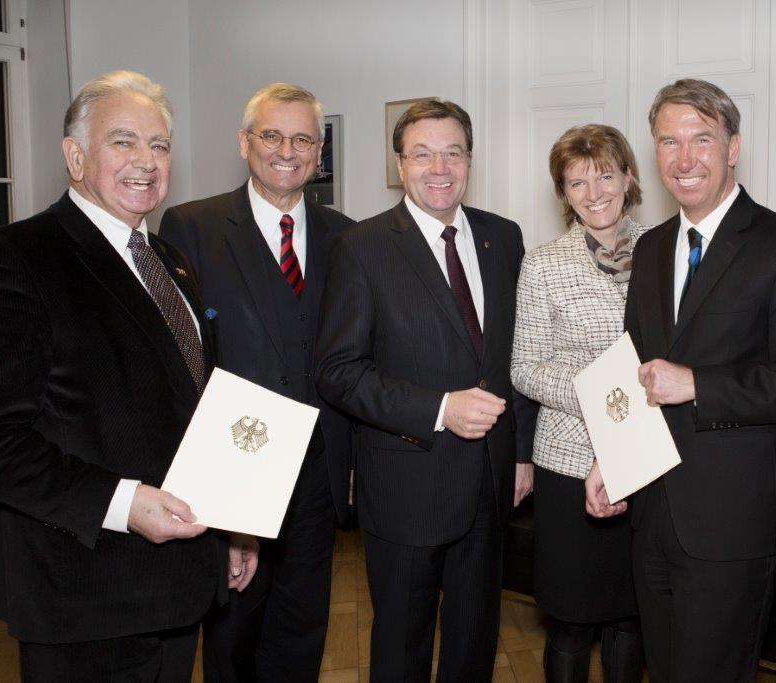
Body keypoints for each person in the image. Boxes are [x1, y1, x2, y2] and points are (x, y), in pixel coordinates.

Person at [0, 70, 257, 681]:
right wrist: (124, 503)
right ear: (75, 156)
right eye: (123, 141)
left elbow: (193, 405)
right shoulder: (17, 258)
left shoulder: (169, 261)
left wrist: (235, 524)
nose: (146, 161)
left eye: (159, 145)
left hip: (178, 588)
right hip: (84, 596)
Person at [585, 79, 776, 682]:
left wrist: (699, 384)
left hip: (730, 525)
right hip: (650, 516)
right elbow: (633, 368)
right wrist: (609, 459)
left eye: (701, 139)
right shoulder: (649, 250)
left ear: (734, 146)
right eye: (668, 141)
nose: (684, 158)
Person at [316, 99, 536, 682]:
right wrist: (438, 409)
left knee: (474, 642)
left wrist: (520, 453)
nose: (439, 168)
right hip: (407, 485)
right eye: (422, 154)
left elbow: (514, 358)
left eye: (452, 153)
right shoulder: (362, 247)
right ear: (399, 163)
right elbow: (338, 370)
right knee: (401, 647)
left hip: (490, 483)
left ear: (469, 159)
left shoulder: (503, 238)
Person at [159, 82, 353, 683]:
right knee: (233, 636)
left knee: (302, 631)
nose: (286, 150)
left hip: (318, 475)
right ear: (245, 143)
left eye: (302, 138)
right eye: (272, 135)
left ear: (318, 152)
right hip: (234, 473)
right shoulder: (189, 227)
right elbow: (181, 356)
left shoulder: (347, 233)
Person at [511, 124, 646, 682]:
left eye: (605, 176)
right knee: (570, 620)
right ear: (562, 194)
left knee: (631, 617)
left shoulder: (666, 251)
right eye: (576, 182)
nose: (594, 194)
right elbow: (524, 368)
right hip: (568, 462)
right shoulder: (542, 264)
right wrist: (607, 390)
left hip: (646, 460)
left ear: (629, 178)